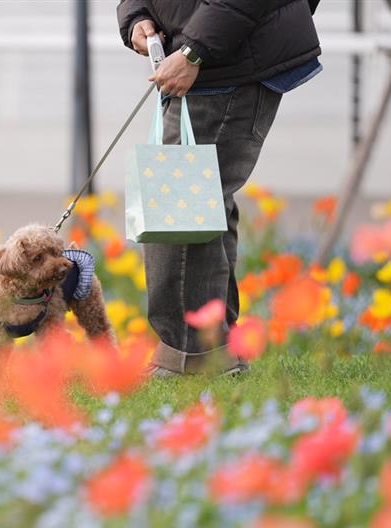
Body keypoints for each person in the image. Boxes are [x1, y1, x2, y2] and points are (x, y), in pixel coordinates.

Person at [116, 0, 322, 376]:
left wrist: (195, 51)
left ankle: (191, 356)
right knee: (199, 203)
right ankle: (214, 350)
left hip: (224, 64)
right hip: (211, 57)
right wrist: (137, 16)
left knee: (178, 210)